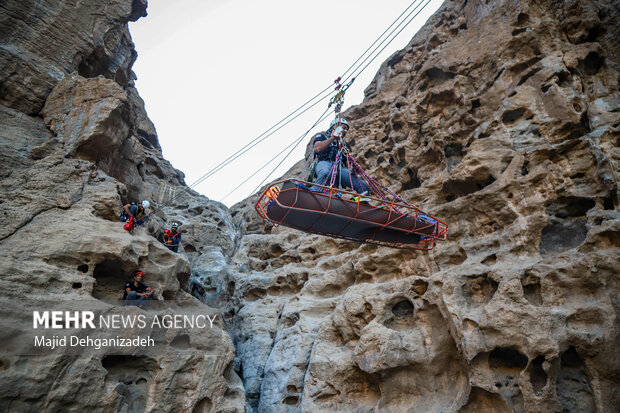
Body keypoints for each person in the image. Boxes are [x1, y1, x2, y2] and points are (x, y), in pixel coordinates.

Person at [312, 118, 369, 195]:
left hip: (339, 168)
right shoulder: (322, 136)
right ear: (334, 127)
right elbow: (318, 148)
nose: (346, 131)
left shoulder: (343, 145)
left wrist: (353, 167)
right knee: (325, 172)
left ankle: (362, 202)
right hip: (324, 162)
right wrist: (333, 137)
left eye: (346, 129)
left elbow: (347, 162)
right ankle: (315, 192)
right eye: (344, 128)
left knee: (363, 185)